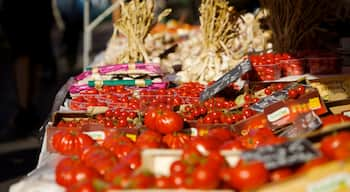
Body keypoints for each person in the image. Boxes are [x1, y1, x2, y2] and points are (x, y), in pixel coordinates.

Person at [0, 0, 56, 141]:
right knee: (24, 53)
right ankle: (26, 110)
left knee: (30, 54)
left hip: (32, 8)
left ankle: (28, 109)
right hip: (22, 8)